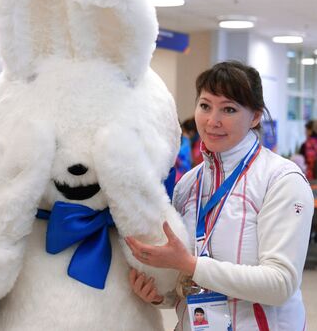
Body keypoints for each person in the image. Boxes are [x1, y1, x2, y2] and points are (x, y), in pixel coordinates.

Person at [125, 61, 314, 330]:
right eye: (205, 106)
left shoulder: (281, 180)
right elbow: (186, 283)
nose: (213, 121)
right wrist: (158, 295)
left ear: (256, 116)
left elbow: (280, 284)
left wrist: (191, 264)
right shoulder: (189, 184)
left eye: (229, 109)